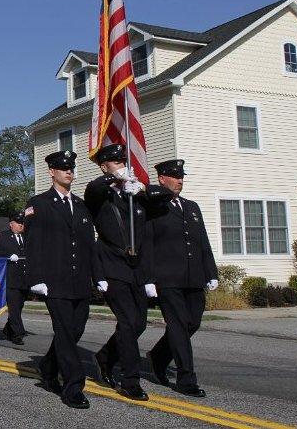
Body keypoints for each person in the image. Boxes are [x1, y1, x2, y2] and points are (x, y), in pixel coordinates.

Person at [84, 144, 173, 401]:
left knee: (139, 324)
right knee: (127, 321)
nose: (122, 165)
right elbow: (93, 188)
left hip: (137, 269)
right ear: (104, 167)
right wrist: (116, 177)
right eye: (115, 162)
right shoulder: (101, 195)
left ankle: (105, 357)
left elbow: (165, 195)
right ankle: (130, 379)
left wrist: (142, 187)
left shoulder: (135, 195)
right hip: (112, 266)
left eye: (123, 161)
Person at [25, 150, 105, 409]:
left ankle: (48, 367)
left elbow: (89, 245)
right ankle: (73, 387)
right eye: (63, 168)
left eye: (71, 168)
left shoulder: (81, 205)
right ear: (51, 172)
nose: (69, 172)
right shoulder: (39, 203)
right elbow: (33, 243)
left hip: (80, 281)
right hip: (54, 281)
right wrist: (36, 278)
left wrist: (98, 276)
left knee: (75, 330)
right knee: (64, 332)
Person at [148, 159, 218, 398]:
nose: (180, 180)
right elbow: (147, 243)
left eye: (181, 176)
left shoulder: (191, 206)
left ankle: (158, 355)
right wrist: (149, 278)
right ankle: (186, 378)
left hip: (194, 276)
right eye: (175, 176)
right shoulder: (154, 206)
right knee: (178, 326)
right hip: (167, 278)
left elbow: (202, 242)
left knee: (192, 323)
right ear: (162, 179)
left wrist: (211, 272)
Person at [0, 211, 29, 345]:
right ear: (11, 224)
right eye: (18, 223)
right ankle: (18, 334)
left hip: (24, 279)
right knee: (14, 307)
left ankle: (8, 329)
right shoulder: (1, 236)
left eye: (22, 223)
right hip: (10, 279)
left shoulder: (27, 236)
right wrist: (8, 255)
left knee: (19, 306)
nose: (21, 225)